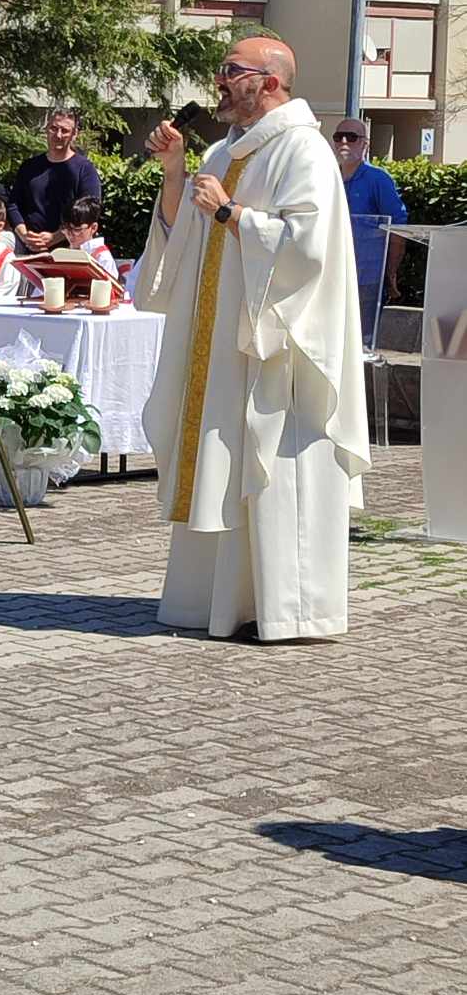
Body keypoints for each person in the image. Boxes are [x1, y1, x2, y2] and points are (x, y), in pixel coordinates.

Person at [141, 34, 369, 642]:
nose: (219, 80)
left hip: (278, 351)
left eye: (230, 70)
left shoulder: (305, 151)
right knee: (220, 462)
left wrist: (230, 213)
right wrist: (175, 174)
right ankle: (219, 604)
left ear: (269, 81)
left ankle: (291, 609)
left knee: (276, 469)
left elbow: (306, 250)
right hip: (218, 348)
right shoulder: (220, 153)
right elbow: (185, 243)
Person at [332, 117, 408, 320]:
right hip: (332, 275)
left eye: (352, 137)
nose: (344, 142)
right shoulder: (328, 178)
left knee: (362, 341)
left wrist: (391, 273)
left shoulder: (378, 179)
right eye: (339, 137)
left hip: (367, 278)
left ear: (365, 144)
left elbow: (397, 227)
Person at [8, 105, 102, 253]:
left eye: (65, 131)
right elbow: (13, 205)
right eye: (53, 128)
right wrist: (25, 235)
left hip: (69, 250)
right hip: (28, 248)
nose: (58, 135)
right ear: (46, 129)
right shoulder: (29, 167)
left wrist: (55, 237)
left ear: (74, 134)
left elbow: (89, 211)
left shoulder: (85, 169)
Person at [63, 196, 120, 283]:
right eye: (66, 228)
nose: (70, 234)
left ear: (93, 228)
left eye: (77, 230)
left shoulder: (102, 257)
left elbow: (111, 291)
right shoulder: (63, 254)